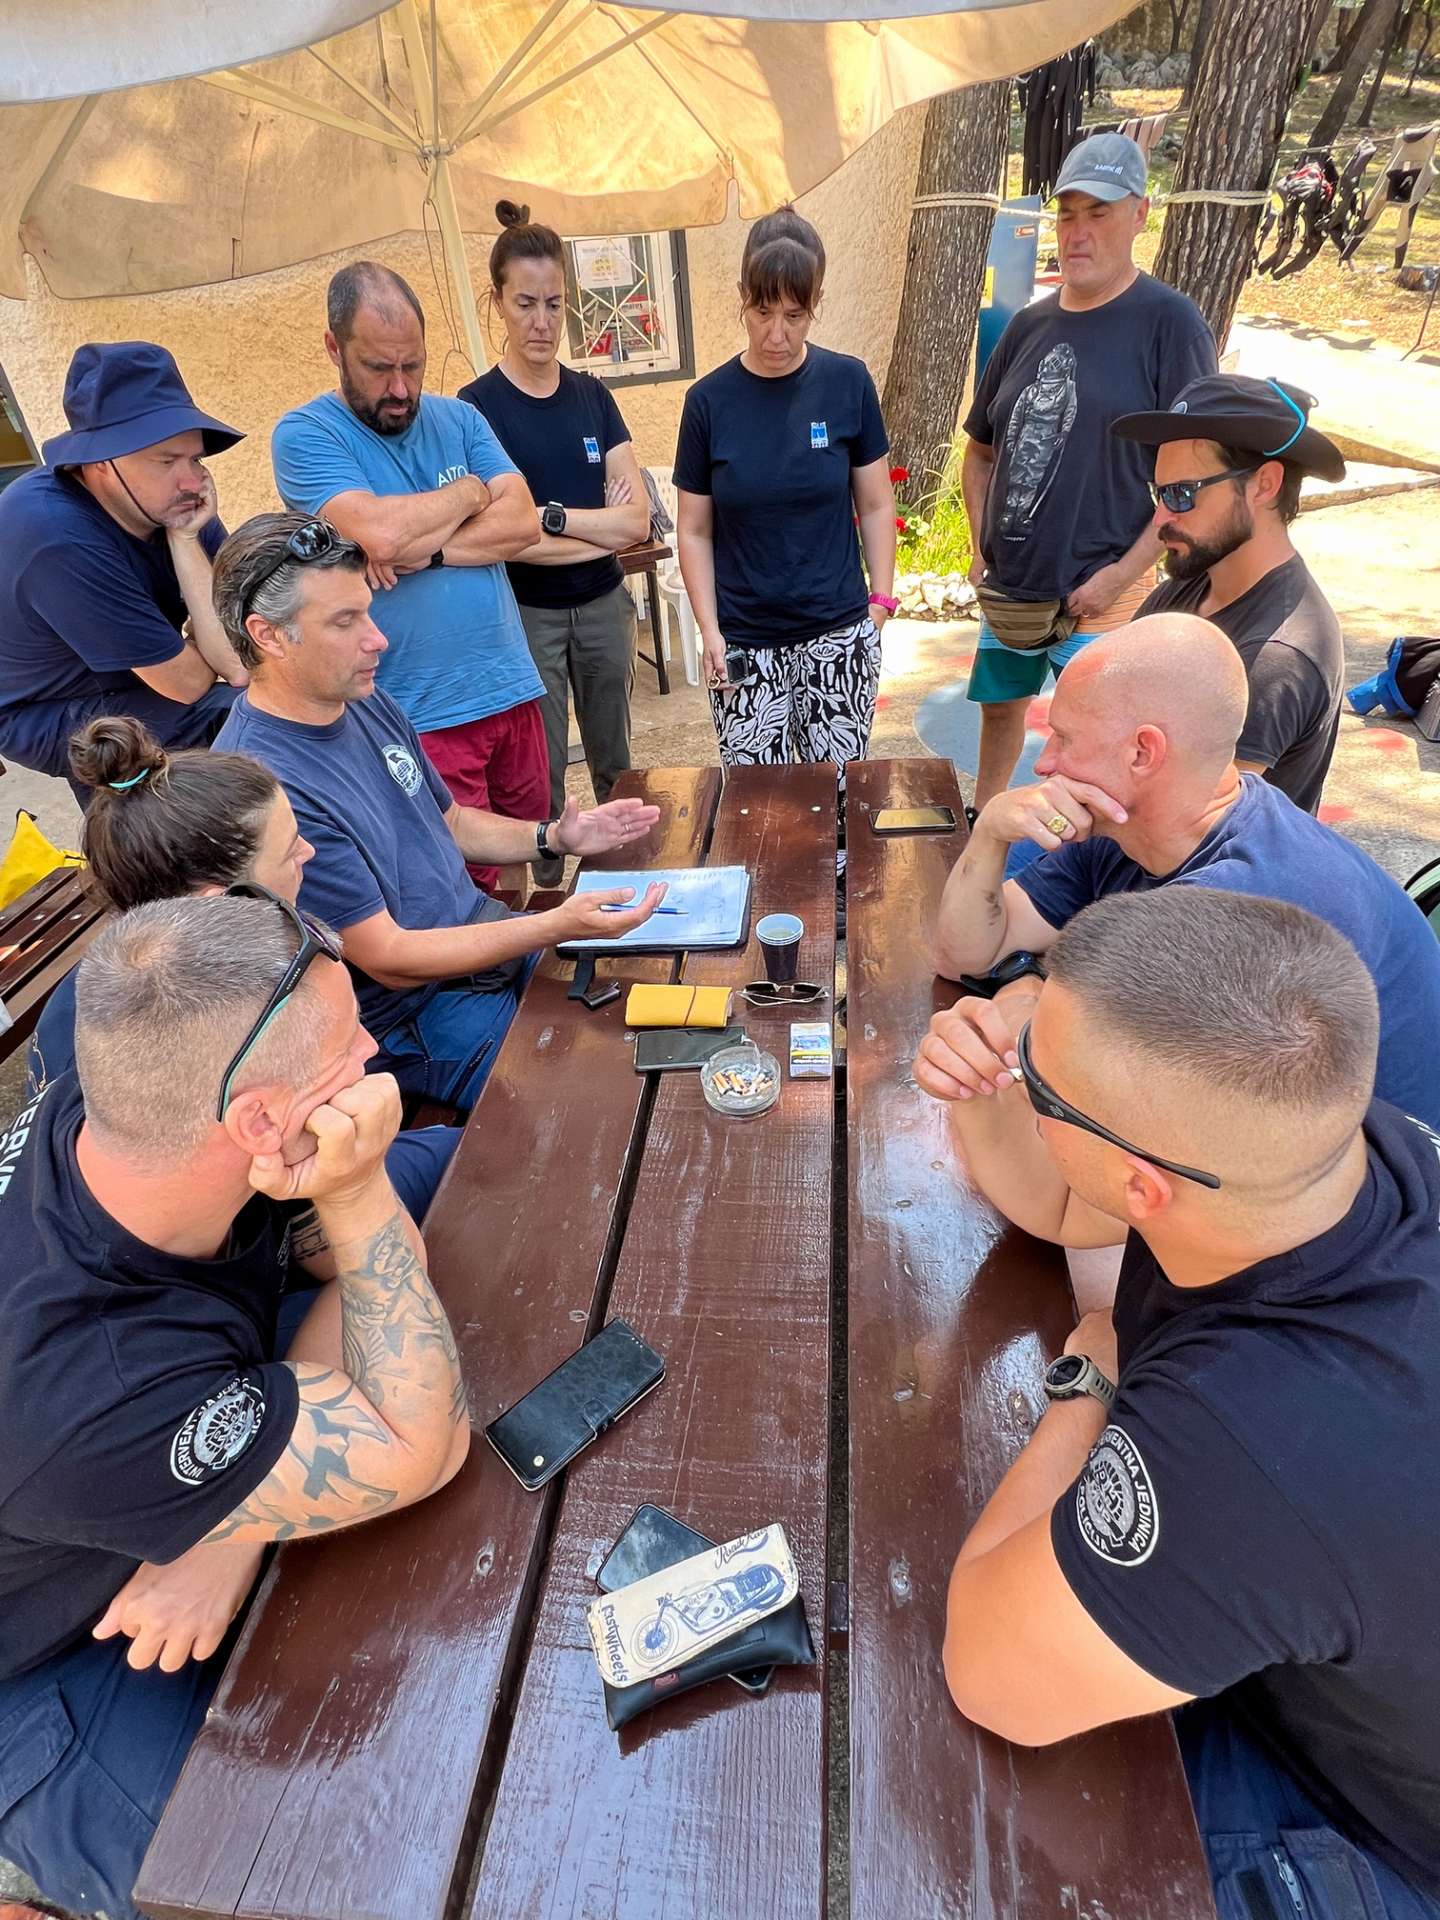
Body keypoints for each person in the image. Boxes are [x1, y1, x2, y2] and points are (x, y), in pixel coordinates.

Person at [934, 885, 1440, 1920]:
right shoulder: (1344, 1152)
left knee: (990, 1836)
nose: (1018, 1053)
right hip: (1354, 1650)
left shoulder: (1259, 1442)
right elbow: (1069, 1205)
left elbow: (991, 1673)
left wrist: (1089, 1380)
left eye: (1041, 1077)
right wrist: (989, 1086)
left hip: (1375, 1834)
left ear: (1144, 1182)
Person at [0, 891, 468, 1920]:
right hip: (42, 1655)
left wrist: (225, 1538)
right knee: (267, 1879)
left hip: (116, 1484)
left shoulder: (135, 1099)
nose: (375, 1067)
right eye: (351, 1049)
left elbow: (355, 1280)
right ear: (260, 1121)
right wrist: (349, 1198)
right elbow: (421, 1442)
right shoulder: (91, 1388)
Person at [211, 512, 664, 1112]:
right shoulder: (264, 786)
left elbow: (448, 822)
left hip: (484, 946)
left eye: (367, 611)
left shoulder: (362, 700)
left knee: (670, 1010)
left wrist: (553, 836)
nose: (378, 639)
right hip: (417, 1016)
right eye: (345, 621)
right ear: (268, 635)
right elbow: (391, 960)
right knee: (610, 1096)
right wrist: (555, 924)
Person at [922, 614, 1440, 1134]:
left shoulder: (1236, 900)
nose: (1045, 763)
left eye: (1063, 738)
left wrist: (1021, 987)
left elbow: (1062, 1085)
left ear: (1143, 752)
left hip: (1386, 1192)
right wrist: (990, 832)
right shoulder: (1128, 827)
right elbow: (963, 954)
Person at [25, 714, 462, 1224]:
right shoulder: (224, 1014)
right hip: (262, 1227)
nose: (309, 852)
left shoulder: (118, 978)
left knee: (461, 1153)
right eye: (289, 848)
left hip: (259, 1193)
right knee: (474, 1165)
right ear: (228, 901)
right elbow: (284, 1199)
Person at [961, 133, 1216, 811]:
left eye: (1098, 213)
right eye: (1067, 214)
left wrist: (1120, 576)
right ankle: (985, 830)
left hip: (1107, 595)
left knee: (1101, 751)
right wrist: (979, 541)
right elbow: (981, 450)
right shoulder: (1026, 326)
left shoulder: (1170, 323)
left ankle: (1092, 888)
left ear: (1139, 212)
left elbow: (1193, 480)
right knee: (998, 715)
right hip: (1012, 591)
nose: (1078, 232)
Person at [270, 262, 546, 890]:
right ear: (334, 349)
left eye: (413, 366)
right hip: (419, 708)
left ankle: (519, 982)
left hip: (508, 683)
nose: (400, 388)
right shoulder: (306, 434)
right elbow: (379, 535)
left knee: (522, 857)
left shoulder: (462, 419)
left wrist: (434, 549)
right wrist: (472, 491)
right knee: (459, 884)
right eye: (378, 368)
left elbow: (524, 524)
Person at [458, 203, 649, 873]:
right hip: (525, 616)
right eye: (525, 304)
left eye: (554, 304)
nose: (542, 322)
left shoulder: (593, 395)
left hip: (603, 606)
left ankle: (624, 885)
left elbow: (637, 521)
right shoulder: (475, 409)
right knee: (538, 781)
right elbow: (498, 539)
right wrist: (594, 526)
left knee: (615, 763)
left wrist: (550, 518)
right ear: (498, 304)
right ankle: (546, 906)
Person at [674, 207, 898, 769]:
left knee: (843, 796)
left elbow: (874, 503)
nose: (778, 333)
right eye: (763, 311)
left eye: (796, 315)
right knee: (759, 810)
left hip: (839, 633)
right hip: (745, 641)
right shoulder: (708, 403)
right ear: (742, 299)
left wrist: (879, 605)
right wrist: (710, 631)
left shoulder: (847, 383)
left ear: (814, 305)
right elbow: (695, 530)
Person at [0, 342, 246, 792]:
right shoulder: (53, 533)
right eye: (167, 460)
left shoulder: (177, 505)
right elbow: (191, 683)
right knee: (228, 717)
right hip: (44, 708)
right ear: (101, 464)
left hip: (139, 674)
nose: (193, 480)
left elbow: (238, 657)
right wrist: (202, 652)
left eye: (194, 457)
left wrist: (186, 539)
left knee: (267, 692)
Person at [1115, 372, 1346, 814]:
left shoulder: (1277, 654)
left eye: (1182, 494)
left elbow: (1188, 827)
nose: (1161, 517)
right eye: (1158, 493)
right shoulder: (1185, 590)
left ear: (1264, 485)